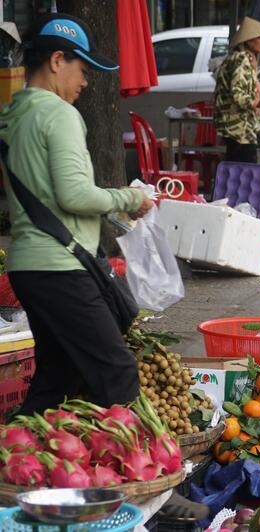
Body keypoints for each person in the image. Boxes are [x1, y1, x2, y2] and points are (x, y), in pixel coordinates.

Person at [0, 14, 154, 414]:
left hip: (30, 266)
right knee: (117, 373)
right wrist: (127, 199)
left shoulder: (14, 116)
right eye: (82, 70)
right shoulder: (58, 113)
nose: (85, 83)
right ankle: (136, 471)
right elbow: (75, 195)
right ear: (56, 61)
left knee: (57, 381)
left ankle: (18, 464)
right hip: (61, 267)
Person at [214, 17, 260, 164]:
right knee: (243, 169)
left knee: (240, 170)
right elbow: (238, 95)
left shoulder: (245, 59)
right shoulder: (241, 60)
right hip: (238, 129)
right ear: (250, 40)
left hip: (242, 128)